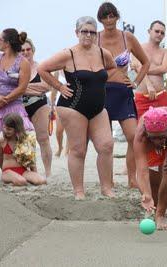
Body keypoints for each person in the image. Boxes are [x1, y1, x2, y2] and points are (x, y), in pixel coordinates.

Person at [38, 16, 116, 199]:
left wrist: (107, 81)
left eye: (92, 32)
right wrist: (58, 86)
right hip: (73, 106)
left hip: (98, 107)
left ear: (96, 34)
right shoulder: (68, 54)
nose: (88, 35)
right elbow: (42, 68)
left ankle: (106, 188)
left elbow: (113, 68)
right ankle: (79, 191)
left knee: (106, 146)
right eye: (84, 31)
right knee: (78, 149)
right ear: (77, 33)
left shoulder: (103, 53)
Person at [97, 2, 150, 188]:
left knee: (134, 136)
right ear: (100, 19)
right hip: (101, 94)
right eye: (105, 16)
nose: (109, 20)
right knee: (106, 142)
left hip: (123, 92)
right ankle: (108, 181)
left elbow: (146, 62)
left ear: (117, 17)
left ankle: (132, 178)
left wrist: (135, 82)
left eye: (112, 16)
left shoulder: (127, 37)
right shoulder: (95, 39)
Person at [0, 28, 33, 170]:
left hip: (13, 105)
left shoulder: (23, 62)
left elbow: (22, 88)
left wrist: (3, 100)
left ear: (8, 43)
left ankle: (21, 169)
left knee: (17, 140)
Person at [0, 113, 46, 186]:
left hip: (23, 171)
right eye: (4, 128)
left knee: (41, 181)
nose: (5, 131)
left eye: (9, 129)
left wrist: (35, 174)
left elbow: (31, 160)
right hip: (7, 172)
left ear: (17, 129)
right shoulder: (2, 141)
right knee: (21, 181)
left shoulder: (24, 141)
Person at [21, 39, 53, 177]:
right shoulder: (16, 68)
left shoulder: (40, 67)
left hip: (39, 105)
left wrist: (23, 88)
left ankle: (48, 172)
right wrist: (35, 88)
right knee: (23, 140)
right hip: (20, 106)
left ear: (33, 51)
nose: (25, 52)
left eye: (28, 49)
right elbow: (11, 88)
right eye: (22, 50)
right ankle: (31, 172)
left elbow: (46, 87)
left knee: (43, 139)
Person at [132, 20, 167, 118]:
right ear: (149, 31)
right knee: (140, 128)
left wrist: (143, 69)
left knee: (164, 128)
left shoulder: (166, 52)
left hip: (161, 96)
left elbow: (164, 68)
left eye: (162, 33)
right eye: (157, 31)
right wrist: (149, 85)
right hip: (142, 96)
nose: (159, 34)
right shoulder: (138, 48)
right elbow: (136, 66)